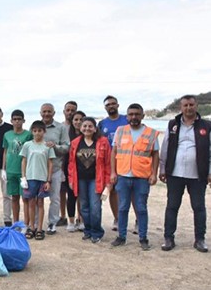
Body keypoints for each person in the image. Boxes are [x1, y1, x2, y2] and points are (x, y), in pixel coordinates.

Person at [159, 95, 210, 253]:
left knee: (199, 207)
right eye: (185, 105)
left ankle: (200, 239)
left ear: (196, 106)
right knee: (172, 206)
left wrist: (209, 172)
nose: (188, 108)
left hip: (198, 175)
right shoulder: (172, 124)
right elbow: (165, 147)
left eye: (191, 105)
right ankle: (169, 238)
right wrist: (162, 169)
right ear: (181, 108)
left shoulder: (206, 126)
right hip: (175, 173)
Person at [110, 103, 159, 250]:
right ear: (127, 116)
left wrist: (154, 173)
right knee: (123, 207)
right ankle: (121, 236)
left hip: (142, 177)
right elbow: (114, 152)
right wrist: (113, 172)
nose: (133, 117)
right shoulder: (120, 131)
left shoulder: (151, 133)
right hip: (123, 176)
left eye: (137, 114)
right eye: (131, 114)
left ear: (142, 116)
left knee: (141, 208)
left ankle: (143, 238)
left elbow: (155, 154)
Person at [68, 117, 111, 243]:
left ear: (95, 128)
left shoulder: (102, 142)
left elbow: (108, 163)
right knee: (84, 207)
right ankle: (88, 230)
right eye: (84, 126)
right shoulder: (75, 142)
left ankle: (97, 231)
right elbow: (71, 163)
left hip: (96, 180)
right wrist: (71, 180)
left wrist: (108, 183)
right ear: (80, 128)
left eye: (90, 126)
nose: (87, 128)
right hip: (80, 179)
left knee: (95, 206)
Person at [20, 120, 55, 240]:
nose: (37, 133)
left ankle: (40, 228)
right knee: (31, 203)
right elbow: (24, 161)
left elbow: (50, 163)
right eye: (35, 131)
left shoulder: (47, 146)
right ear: (32, 132)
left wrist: (48, 180)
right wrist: (23, 176)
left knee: (40, 203)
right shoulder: (27, 145)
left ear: (44, 132)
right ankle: (31, 227)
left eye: (40, 131)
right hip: (30, 178)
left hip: (43, 178)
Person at [98, 96, 128, 231]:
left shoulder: (126, 120)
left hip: (126, 159)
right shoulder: (102, 124)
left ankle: (138, 220)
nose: (111, 106)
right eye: (108, 104)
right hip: (109, 161)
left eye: (113, 104)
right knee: (113, 190)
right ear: (105, 107)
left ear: (118, 105)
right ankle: (117, 218)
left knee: (129, 191)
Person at [40, 103, 70, 235]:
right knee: (37, 199)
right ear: (40, 113)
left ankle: (52, 223)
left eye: (49, 111)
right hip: (38, 170)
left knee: (55, 198)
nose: (46, 114)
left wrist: (55, 146)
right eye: (44, 111)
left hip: (56, 168)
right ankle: (36, 224)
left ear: (54, 113)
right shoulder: (35, 126)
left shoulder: (60, 127)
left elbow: (66, 147)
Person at [1, 109, 32, 224]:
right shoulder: (7, 135)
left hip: (23, 171)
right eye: (15, 119)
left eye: (19, 119)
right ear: (11, 121)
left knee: (25, 198)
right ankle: (16, 222)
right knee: (14, 198)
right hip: (10, 170)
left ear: (23, 120)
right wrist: (3, 169)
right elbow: (5, 151)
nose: (17, 122)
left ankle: (26, 224)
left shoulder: (28, 135)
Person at [58, 101, 78, 227]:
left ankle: (79, 217)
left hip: (76, 164)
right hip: (62, 162)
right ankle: (63, 216)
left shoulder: (79, 127)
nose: (70, 112)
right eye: (68, 110)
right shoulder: (60, 127)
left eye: (73, 110)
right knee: (62, 191)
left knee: (76, 192)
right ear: (64, 111)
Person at [63, 111, 84, 232]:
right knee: (71, 195)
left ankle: (81, 219)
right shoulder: (67, 135)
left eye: (81, 119)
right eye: (76, 120)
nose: (78, 122)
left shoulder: (88, 134)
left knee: (82, 196)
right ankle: (70, 221)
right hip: (69, 169)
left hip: (84, 170)